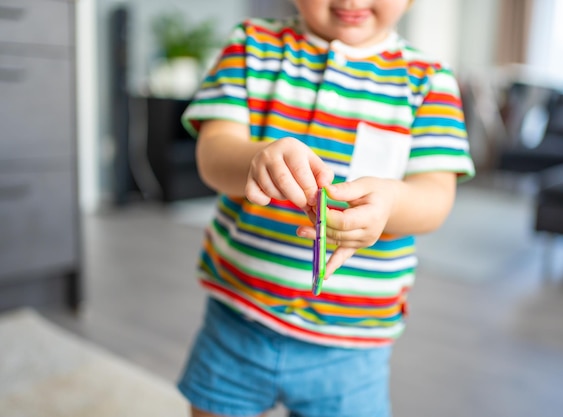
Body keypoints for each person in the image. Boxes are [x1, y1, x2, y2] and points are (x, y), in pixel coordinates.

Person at [177, 1, 475, 416]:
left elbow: (435, 199)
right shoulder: (250, 46)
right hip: (237, 316)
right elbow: (212, 157)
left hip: (353, 345)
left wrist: (390, 203)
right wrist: (257, 158)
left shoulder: (429, 80)